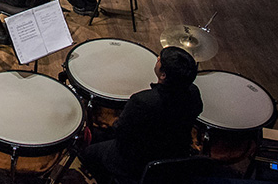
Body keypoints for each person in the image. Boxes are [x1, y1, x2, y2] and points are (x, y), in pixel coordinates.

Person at [81, 47, 203, 183]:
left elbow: (121, 132)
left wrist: (111, 120)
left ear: (163, 75)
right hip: (174, 153)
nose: (157, 59)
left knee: (88, 153)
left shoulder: (143, 101)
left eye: (160, 60)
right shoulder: (193, 92)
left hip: (136, 161)